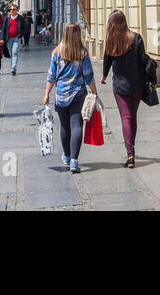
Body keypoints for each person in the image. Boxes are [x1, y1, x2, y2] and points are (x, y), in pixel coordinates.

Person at [41, 23, 98, 174]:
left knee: (65, 127)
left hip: (61, 95)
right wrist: (94, 92)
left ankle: (66, 156)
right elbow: (88, 76)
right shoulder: (82, 53)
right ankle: (74, 160)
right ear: (78, 35)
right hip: (78, 94)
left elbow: (51, 76)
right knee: (77, 125)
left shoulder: (56, 52)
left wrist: (46, 94)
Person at [102, 10, 148, 169]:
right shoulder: (136, 38)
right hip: (137, 84)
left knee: (126, 117)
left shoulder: (111, 41)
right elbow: (143, 60)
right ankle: (131, 149)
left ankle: (130, 154)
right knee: (132, 116)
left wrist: (104, 75)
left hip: (120, 85)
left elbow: (107, 59)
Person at [4, 4, 22, 76]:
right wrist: (2, 38)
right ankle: (12, 67)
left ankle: (13, 68)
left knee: (14, 52)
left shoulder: (20, 18)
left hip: (16, 38)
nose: (12, 11)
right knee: (11, 54)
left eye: (13, 9)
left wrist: (20, 34)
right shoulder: (7, 18)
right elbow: (4, 29)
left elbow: (25, 27)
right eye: (10, 9)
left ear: (16, 10)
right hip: (9, 38)